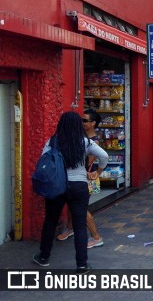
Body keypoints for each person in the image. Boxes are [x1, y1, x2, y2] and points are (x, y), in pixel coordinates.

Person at [33, 111, 108, 274]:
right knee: (80, 225)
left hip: (57, 186)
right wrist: (98, 172)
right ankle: (81, 265)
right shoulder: (85, 142)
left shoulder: (53, 141)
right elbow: (104, 156)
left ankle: (44, 257)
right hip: (79, 186)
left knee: (51, 221)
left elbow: (43, 159)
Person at [56, 109, 104, 248]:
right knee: (72, 205)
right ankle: (71, 228)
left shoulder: (93, 141)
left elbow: (88, 162)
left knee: (81, 209)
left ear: (93, 123)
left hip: (88, 176)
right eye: (81, 120)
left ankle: (96, 236)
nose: (82, 123)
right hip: (81, 176)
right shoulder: (81, 137)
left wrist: (98, 172)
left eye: (85, 120)